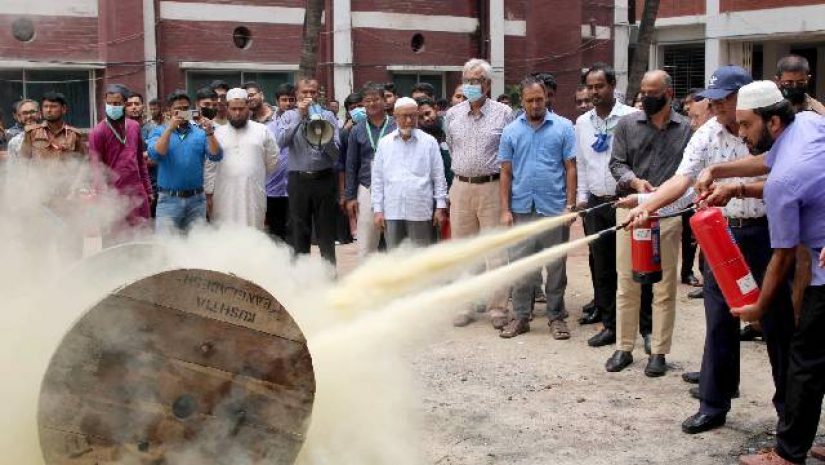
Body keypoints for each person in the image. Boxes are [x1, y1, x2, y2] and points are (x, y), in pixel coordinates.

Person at [625, 66, 795, 434]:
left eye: (724, 99)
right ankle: (714, 403)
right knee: (719, 320)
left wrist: (725, 179)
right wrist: (649, 205)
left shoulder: (774, 132)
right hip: (722, 234)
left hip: (768, 235)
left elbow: (782, 176)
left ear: (745, 98)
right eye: (711, 98)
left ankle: (790, 410)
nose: (715, 105)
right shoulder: (707, 134)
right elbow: (683, 179)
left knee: (776, 322)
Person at [720, 81, 825, 465]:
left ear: (774, 121)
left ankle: (787, 453)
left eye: (747, 125)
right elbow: (776, 165)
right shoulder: (810, 126)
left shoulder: (784, 181)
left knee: (806, 360)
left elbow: (781, 259)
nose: (741, 134)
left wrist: (758, 308)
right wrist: (732, 184)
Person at [605, 70, 692, 377]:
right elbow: (616, 163)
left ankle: (659, 352)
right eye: (642, 92)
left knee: (664, 287)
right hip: (630, 212)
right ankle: (624, 347)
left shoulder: (686, 129)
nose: (644, 98)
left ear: (668, 94)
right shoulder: (628, 124)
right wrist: (635, 182)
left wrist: (663, 195)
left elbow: (688, 173)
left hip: (667, 215)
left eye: (652, 93)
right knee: (626, 283)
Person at [498, 76, 577, 340]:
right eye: (530, 100)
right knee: (521, 265)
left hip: (554, 209)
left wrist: (569, 205)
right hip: (521, 209)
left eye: (539, 99)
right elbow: (506, 173)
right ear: (522, 101)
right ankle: (521, 316)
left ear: (546, 98)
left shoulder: (564, 128)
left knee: (556, 267)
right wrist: (505, 209)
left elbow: (570, 168)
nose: (535, 104)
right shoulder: (511, 131)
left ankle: (556, 317)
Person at [445, 58, 514, 330]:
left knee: (495, 250)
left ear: (488, 84)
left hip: (492, 187)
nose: (472, 85)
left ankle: (498, 307)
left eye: (478, 81)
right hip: (461, 187)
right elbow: (452, 148)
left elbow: (509, 153)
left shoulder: (504, 114)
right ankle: (465, 304)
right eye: (468, 80)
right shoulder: (452, 115)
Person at [575, 63, 639, 347]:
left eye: (599, 86)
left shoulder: (632, 118)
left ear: (613, 86)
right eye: (590, 87)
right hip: (596, 204)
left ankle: (640, 326)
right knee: (601, 267)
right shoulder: (583, 122)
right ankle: (610, 325)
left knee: (628, 268)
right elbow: (581, 163)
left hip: (624, 202)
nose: (594, 92)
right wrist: (581, 199)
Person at [276, 77, 340, 265]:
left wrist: (321, 129)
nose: (309, 96)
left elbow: (336, 154)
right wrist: (299, 117)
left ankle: (329, 278)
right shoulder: (287, 116)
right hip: (299, 181)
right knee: (299, 231)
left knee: (326, 233)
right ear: (296, 95)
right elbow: (279, 142)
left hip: (324, 179)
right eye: (304, 92)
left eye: (313, 92)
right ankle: (301, 278)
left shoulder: (328, 116)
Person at [371, 97, 447, 249]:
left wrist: (440, 207)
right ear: (395, 117)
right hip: (392, 211)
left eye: (412, 116)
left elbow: (438, 177)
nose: (408, 120)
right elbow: (377, 179)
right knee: (395, 259)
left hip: (420, 209)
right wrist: (378, 210)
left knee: (420, 260)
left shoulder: (429, 142)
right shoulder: (385, 143)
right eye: (403, 116)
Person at [148, 89, 222, 234]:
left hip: (197, 200)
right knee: (166, 247)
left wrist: (209, 132)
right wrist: (170, 128)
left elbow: (216, 155)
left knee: (196, 246)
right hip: (168, 200)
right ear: (169, 110)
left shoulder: (200, 132)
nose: (182, 112)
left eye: (186, 109)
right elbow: (156, 154)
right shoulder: (158, 131)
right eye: (178, 109)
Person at [205, 88, 280, 230]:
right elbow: (210, 167)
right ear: (227, 108)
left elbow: (273, 160)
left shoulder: (262, 131)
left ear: (248, 107)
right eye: (233, 109)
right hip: (224, 194)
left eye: (241, 108)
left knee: (253, 234)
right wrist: (209, 195)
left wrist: (254, 173)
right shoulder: (217, 134)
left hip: (253, 193)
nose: (237, 113)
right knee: (224, 234)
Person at [87, 84, 153, 237]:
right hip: (113, 195)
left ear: (124, 103)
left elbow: (140, 162)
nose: (113, 107)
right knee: (116, 240)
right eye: (110, 103)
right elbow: (96, 170)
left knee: (141, 236)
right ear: (105, 101)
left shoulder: (134, 126)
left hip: (137, 192)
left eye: (117, 104)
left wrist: (147, 190)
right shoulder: (98, 132)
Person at [345, 84, 395, 258]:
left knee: (394, 239)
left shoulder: (395, 126)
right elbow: (351, 165)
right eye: (368, 100)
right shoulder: (357, 131)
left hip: (393, 187)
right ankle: (365, 282)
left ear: (385, 101)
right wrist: (350, 196)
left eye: (376, 99)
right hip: (366, 186)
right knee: (366, 241)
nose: (372, 103)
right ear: (363, 104)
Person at [265, 83, 296, 243]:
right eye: (284, 99)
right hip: (273, 188)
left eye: (291, 99)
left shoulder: (302, 124)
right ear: (277, 101)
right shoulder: (268, 127)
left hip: (295, 188)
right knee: (275, 233)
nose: (288, 103)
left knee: (294, 232)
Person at [417, 97, 453, 189]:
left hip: (454, 187)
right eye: (420, 117)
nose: (426, 119)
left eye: (428, 113)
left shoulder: (451, 127)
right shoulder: (417, 137)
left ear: (436, 109)